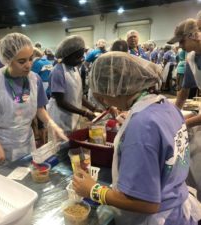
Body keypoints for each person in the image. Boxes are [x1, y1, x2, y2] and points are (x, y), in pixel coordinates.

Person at [73, 51, 201, 225]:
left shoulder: (141, 124)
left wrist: (93, 190)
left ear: (116, 88)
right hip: (178, 206)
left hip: (157, 217)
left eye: (103, 92)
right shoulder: (164, 105)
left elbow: (146, 203)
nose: (102, 98)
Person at [0, 33, 67, 171]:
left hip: (26, 143)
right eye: (22, 61)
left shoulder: (35, 80)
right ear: (8, 60)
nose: (28, 65)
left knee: (26, 181)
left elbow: (40, 109)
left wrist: (52, 125)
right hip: (0, 145)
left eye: (30, 59)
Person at [169, 18, 201, 202]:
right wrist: (173, 113)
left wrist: (184, 122)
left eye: (182, 41)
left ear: (194, 36)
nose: (180, 46)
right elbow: (184, 91)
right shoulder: (191, 58)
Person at [47, 35, 98, 134]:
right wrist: (85, 113)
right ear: (67, 55)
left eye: (82, 56)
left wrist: (93, 108)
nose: (81, 60)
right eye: (77, 57)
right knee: (60, 146)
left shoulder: (75, 69)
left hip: (73, 114)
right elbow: (60, 102)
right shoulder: (58, 72)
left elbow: (78, 95)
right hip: (60, 116)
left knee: (72, 143)